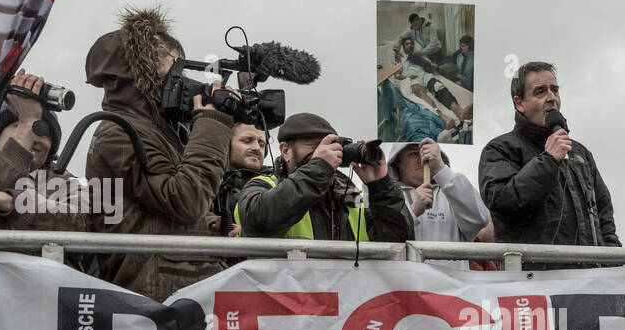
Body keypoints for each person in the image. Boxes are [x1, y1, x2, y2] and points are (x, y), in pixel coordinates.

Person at [85, 6, 233, 301]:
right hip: (149, 296)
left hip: (176, 291)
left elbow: (158, 215)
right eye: (174, 69)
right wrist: (212, 125)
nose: (183, 81)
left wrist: (206, 228)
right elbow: (184, 198)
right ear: (139, 72)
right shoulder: (118, 132)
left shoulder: (161, 131)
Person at [0, 70, 95, 330]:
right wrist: (27, 122)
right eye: (20, 127)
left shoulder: (67, 184)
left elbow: (80, 225)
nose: (35, 136)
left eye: (42, 131)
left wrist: (8, 203)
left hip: (50, 326)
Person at [479, 61, 620, 269]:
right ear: (519, 103)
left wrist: (614, 264)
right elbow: (502, 202)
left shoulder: (580, 153)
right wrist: (548, 160)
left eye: (554, 90)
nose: (551, 97)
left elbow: (604, 214)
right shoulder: (500, 149)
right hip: (534, 287)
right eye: (540, 92)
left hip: (591, 282)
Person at [233, 112, 412, 242]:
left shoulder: (351, 195)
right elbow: (258, 221)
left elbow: (397, 238)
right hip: (286, 292)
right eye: (314, 146)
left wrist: (380, 187)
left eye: (329, 146)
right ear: (285, 151)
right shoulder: (262, 185)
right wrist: (319, 167)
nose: (324, 152)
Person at [388, 138, 490, 268]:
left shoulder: (452, 193)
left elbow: (481, 218)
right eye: (413, 153)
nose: (422, 157)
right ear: (397, 161)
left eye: (427, 151)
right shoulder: (386, 196)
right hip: (404, 285)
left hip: (448, 286)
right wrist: (412, 212)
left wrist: (441, 169)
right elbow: (382, 238)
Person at [210, 121, 268, 239]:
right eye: (247, 141)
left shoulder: (273, 185)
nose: (257, 147)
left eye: (261, 144)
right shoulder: (208, 183)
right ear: (227, 145)